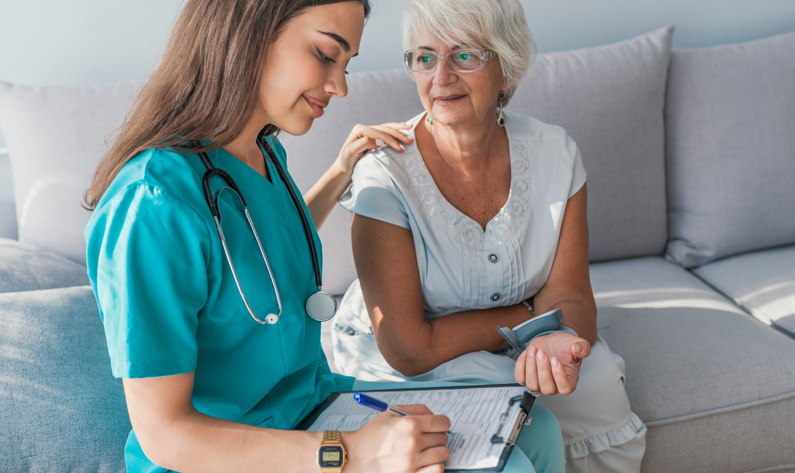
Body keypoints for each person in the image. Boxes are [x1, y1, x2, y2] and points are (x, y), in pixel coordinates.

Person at [83, 1, 564, 472]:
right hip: (241, 452)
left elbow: (260, 255)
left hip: (312, 406)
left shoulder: (262, 155)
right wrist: (352, 453)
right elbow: (166, 435)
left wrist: (340, 169)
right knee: (512, 464)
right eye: (325, 53)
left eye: (347, 63)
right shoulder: (153, 204)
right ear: (250, 32)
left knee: (533, 427)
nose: (340, 87)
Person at [331, 0, 648, 471]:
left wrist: (562, 336)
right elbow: (408, 348)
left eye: (465, 55)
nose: (441, 76)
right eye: (424, 57)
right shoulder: (384, 175)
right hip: (409, 363)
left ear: (507, 65)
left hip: (513, 340)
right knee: (518, 407)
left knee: (596, 383)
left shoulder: (554, 153)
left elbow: (569, 292)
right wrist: (528, 315)